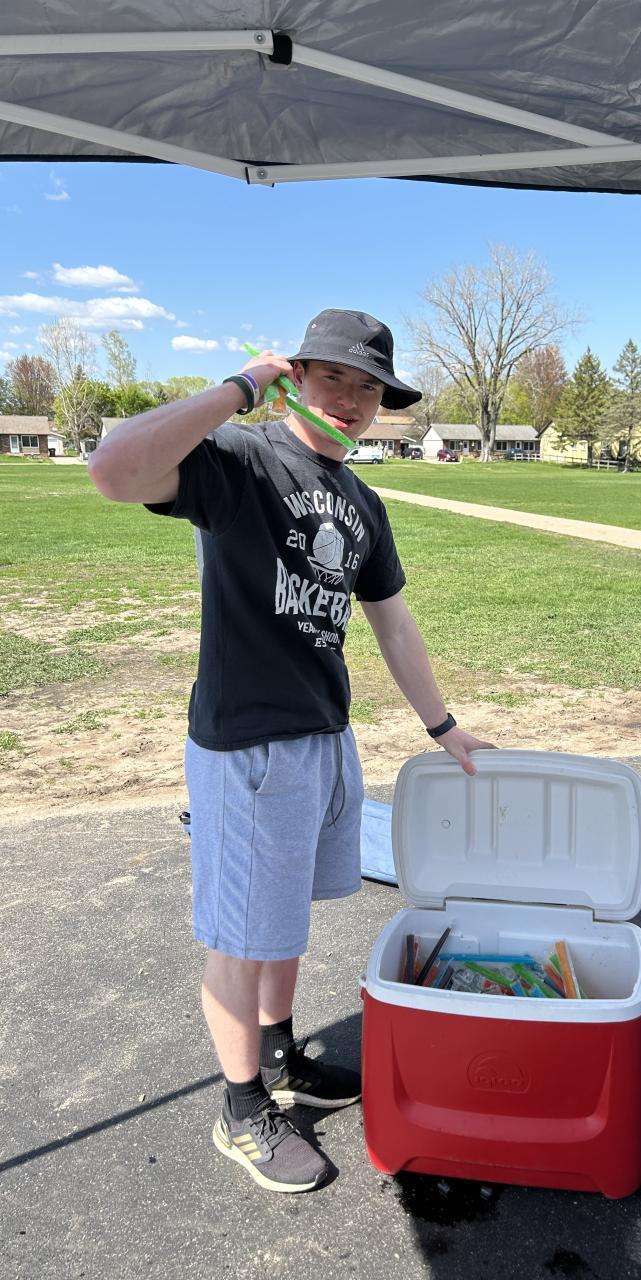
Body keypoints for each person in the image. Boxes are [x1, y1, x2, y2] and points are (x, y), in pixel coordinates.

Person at [89, 309, 494, 1194]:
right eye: (333, 377)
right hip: (247, 747)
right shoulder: (240, 458)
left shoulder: (363, 502)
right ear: (295, 379)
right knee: (241, 938)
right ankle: (240, 1109)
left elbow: (392, 624)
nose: (350, 399)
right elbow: (113, 469)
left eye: (368, 387)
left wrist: (442, 725)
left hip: (323, 738)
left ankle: (278, 1056)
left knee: (283, 926)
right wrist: (238, 389)